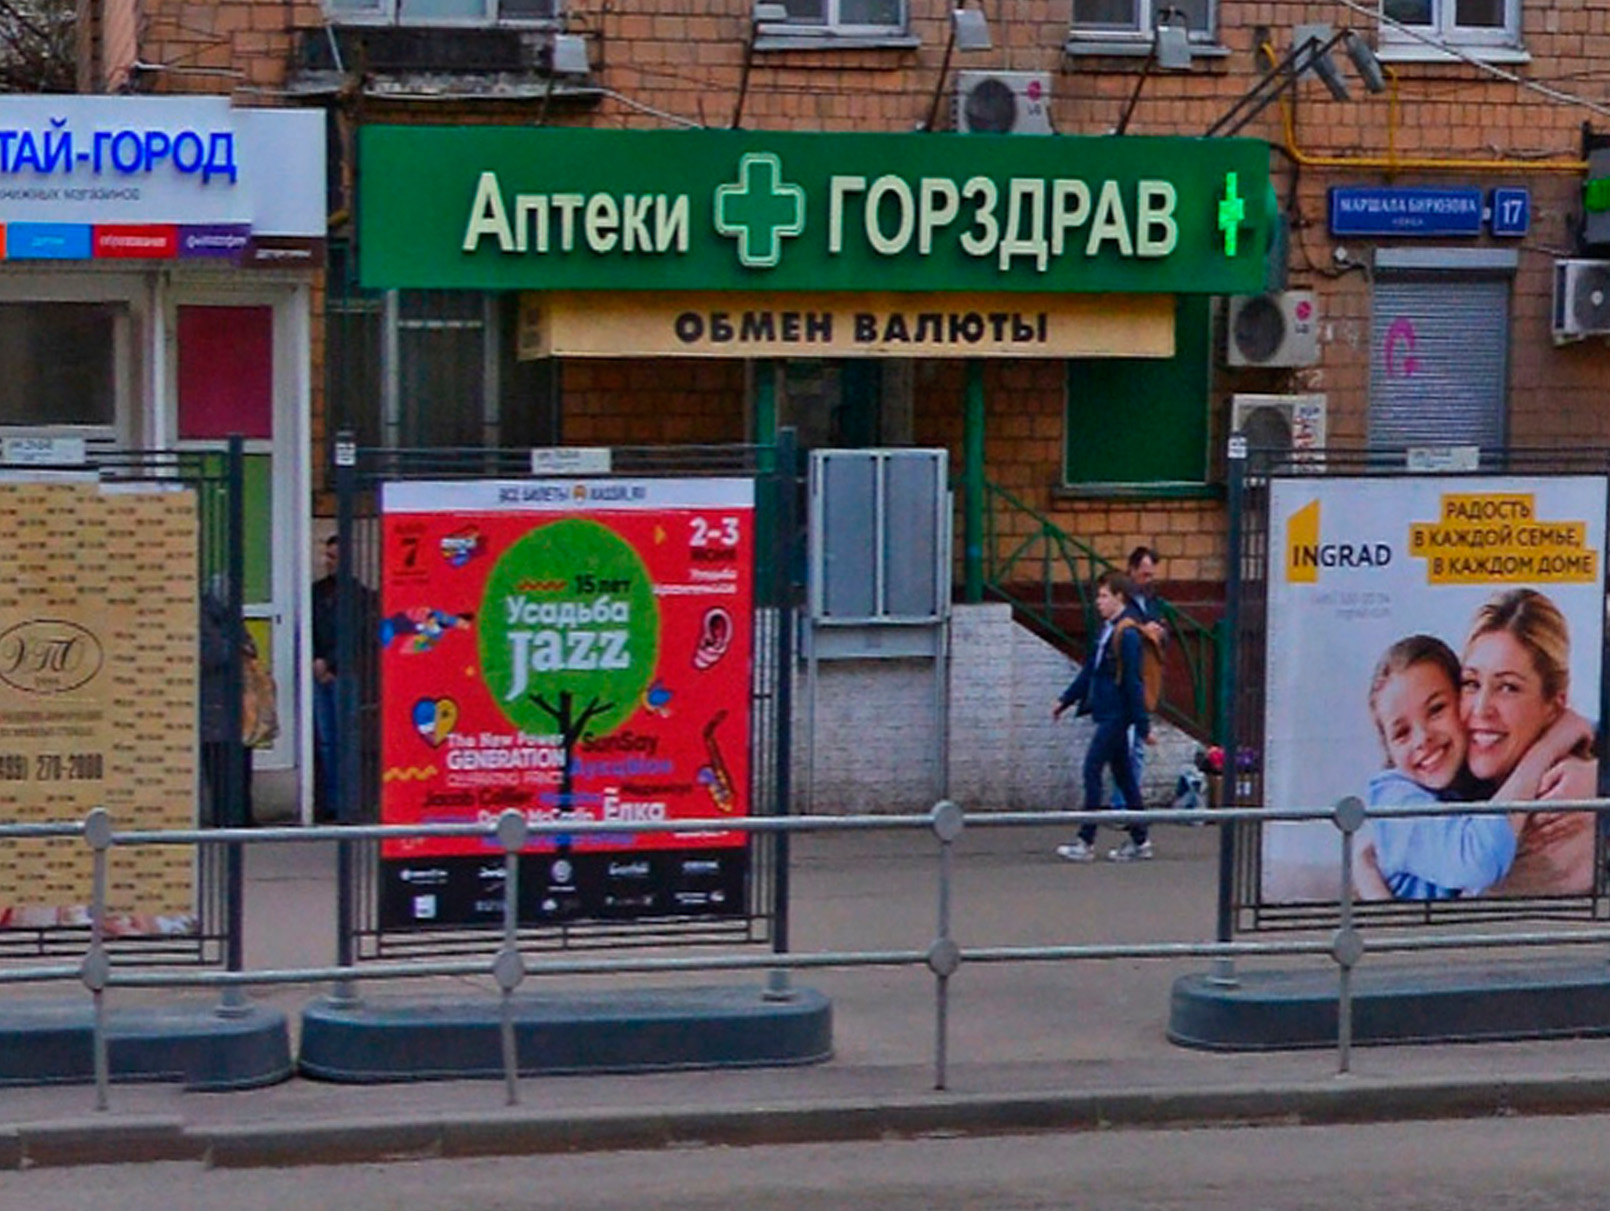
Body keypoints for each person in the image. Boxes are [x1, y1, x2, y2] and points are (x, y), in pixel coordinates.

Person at [1356, 589, 1598, 900]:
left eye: (1508, 687)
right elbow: (1476, 858)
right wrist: (1552, 744)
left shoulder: (1562, 807)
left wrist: (1597, 776)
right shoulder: (1400, 793)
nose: (1481, 709)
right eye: (1471, 683)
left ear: (1554, 704)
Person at [1053, 570, 1155, 863]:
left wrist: (1143, 725)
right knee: (1124, 776)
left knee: (1092, 769)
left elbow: (1133, 682)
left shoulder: (1127, 634)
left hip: (1116, 716)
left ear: (1119, 598)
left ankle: (1086, 841)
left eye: (1103, 596)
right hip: (1107, 712)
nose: (1098, 602)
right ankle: (1140, 840)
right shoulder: (1107, 630)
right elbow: (1091, 670)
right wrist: (1065, 700)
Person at [312, 534, 374, 822]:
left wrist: (330, 663)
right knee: (327, 740)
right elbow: (309, 626)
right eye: (328, 556)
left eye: (335, 557)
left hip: (345, 672)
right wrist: (317, 660)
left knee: (346, 738)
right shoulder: (317, 592)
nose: (329, 562)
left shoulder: (360, 595)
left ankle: (349, 804)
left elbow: (356, 634)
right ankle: (332, 802)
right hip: (319, 671)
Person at [1110, 546, 1166, 812]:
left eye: (1151, 574)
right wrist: (1146, 630)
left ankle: (1127, 804)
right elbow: (1122, 630)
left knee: (1136, 748)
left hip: (1147, 676)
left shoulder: (1153, 600)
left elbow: (1164, 631)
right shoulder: (1122, 599)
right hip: (1127, 679)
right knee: (1127, 746)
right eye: (1144, 574)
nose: (1148, 579)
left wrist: (1159, 632)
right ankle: (1123, 804)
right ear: (1131, 571)